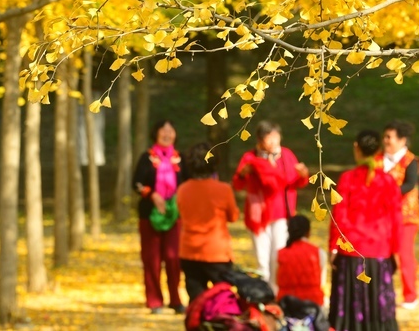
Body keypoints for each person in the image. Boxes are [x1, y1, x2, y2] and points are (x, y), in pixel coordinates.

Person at [329, 129, 402, 331]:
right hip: (379, 251)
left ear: (356, 148)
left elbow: (339, 216)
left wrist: (333, 247)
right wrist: (397, 250)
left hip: (351, 251)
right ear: (378, 150)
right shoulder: (388, 181)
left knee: (350, 308)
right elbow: (396, 219)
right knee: (379, 307)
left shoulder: (347, 179)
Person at [232, 120, 309, 293]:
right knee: (262, 257)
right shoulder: (250, 158)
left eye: (276, 137)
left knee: (278, 254)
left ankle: (277, 291)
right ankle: (265, 292)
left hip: (282, 214)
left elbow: (294, 182)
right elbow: (237, 184)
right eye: (269, 138)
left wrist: (303, 176)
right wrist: (244, 174)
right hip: (259, 215)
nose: (274, 142)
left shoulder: (286, 155)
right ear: (260, 140)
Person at [132, 119, 185, 314]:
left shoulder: (180, 159)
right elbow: (136, 183)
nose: (167, 134)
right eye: (163, 130)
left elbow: (187, 185)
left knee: (173, 258)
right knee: (151, 259)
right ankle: (154, 300)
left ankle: (176, 300)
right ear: (155, 133)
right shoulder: (146, 158)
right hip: (149, 216)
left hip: (174, 216)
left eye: (171, 131)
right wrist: (152, 194)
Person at [176, 142, 240, 302]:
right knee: (223, 299)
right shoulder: (223, 189)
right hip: (217, 252)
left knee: (196, 300)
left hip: (189, 251)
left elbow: (180, 214)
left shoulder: (183, 189)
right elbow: (233, 216)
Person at [377, 120, 419, 310]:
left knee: (405, 256)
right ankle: (381, 294)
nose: (386, 140)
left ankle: (410, 296)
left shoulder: (411, 161)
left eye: (390, 137)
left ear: (402, 140)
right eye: (385, 137)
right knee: (380, 256)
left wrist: (388, 192)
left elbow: (410, 184)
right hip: (380, 216)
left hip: (406, 217)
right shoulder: (377, 160)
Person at [276, 214, 327, 306]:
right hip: (313, 304)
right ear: (308, 232)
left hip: (286, 304)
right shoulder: (319, 253)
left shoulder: (279, 254)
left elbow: (274, 283)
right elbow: (321, 282)